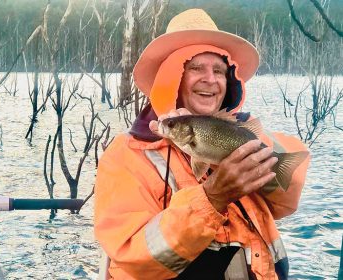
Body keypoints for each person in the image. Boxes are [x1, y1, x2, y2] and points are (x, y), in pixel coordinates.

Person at [94, 9, 310, 280]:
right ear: (172, 78)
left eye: (219, 70)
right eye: (195, 67)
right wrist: (211, 198)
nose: (211, 79)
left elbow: (289, 194)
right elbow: (133, 257)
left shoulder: (248, 131)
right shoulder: (126, 155)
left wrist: (251, 154)